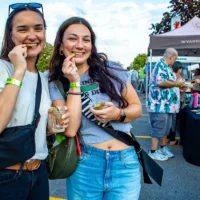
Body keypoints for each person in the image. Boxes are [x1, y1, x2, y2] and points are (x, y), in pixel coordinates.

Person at [49, 17, 142, 200]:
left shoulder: (112, 70)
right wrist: (74, 83)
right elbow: (68, 130)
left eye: (86, 39)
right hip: (86, 163)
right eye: (73, 38)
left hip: (125, 161)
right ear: (61, 46)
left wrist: (118, 114)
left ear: (92, 45)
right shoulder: (55, 83)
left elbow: (137, 108)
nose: (80, 45)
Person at [0, 3, 69, 199]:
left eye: (38, 28)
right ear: (11, 35)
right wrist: (19, 70)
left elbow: (33, 125)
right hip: (6, 176)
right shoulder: (3, 69)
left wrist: (53, 126)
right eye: (23, 29)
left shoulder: (43, 78)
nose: (32, 36)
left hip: (38, 173)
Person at [147, 48, 185, 161]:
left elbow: (170, 82)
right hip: (159, 105)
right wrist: (178, 83)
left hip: (166, 105)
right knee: (158, 129)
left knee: (165, 130)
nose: (175, 60)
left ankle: (162, 148)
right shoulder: (160, 65)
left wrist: (178, 85)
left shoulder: (166, 67)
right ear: (171, 57)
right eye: (175, 58)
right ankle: (153, 151)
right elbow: (161, 82)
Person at [167, 61, 185, 146]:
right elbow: (181, 88)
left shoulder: (170, 75)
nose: (181, 70)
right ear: (178, 68)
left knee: (170, 120)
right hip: (175, 101)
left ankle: (168, 137)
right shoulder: (178, 76)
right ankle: (172, 140)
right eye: (181, 68)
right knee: (174, 120)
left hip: (169, 101)